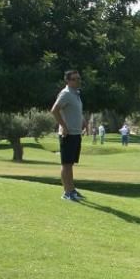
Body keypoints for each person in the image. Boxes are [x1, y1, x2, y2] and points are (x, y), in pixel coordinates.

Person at [50, 70, 84, 202]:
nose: (78, 81)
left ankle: (71, 189)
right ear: (68, 81)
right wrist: (64, 126)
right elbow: (54, 110)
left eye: (79, 78)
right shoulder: (65, 93)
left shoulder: (76, 94)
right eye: (75, 79)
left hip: (76, 133)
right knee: (66, 164)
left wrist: (83, 120)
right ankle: (67, 192)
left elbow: (75, 111)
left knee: (71, 164)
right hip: (67, 134)